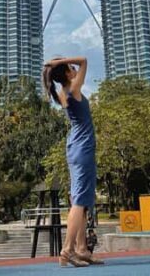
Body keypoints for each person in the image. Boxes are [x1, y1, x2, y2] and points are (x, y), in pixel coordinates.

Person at [43, 56, 104, 267]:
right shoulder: (72, 89)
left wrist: (56, 64)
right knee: (79, 202)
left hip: (75, 146)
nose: (74, 68)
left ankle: (81, 249)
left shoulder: (61, 93)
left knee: (82, 199)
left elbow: (78, 65)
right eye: (70, 68)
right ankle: (67, 250)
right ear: (68, 74)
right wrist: (61, 61)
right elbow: (85, 60)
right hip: (83, 147)